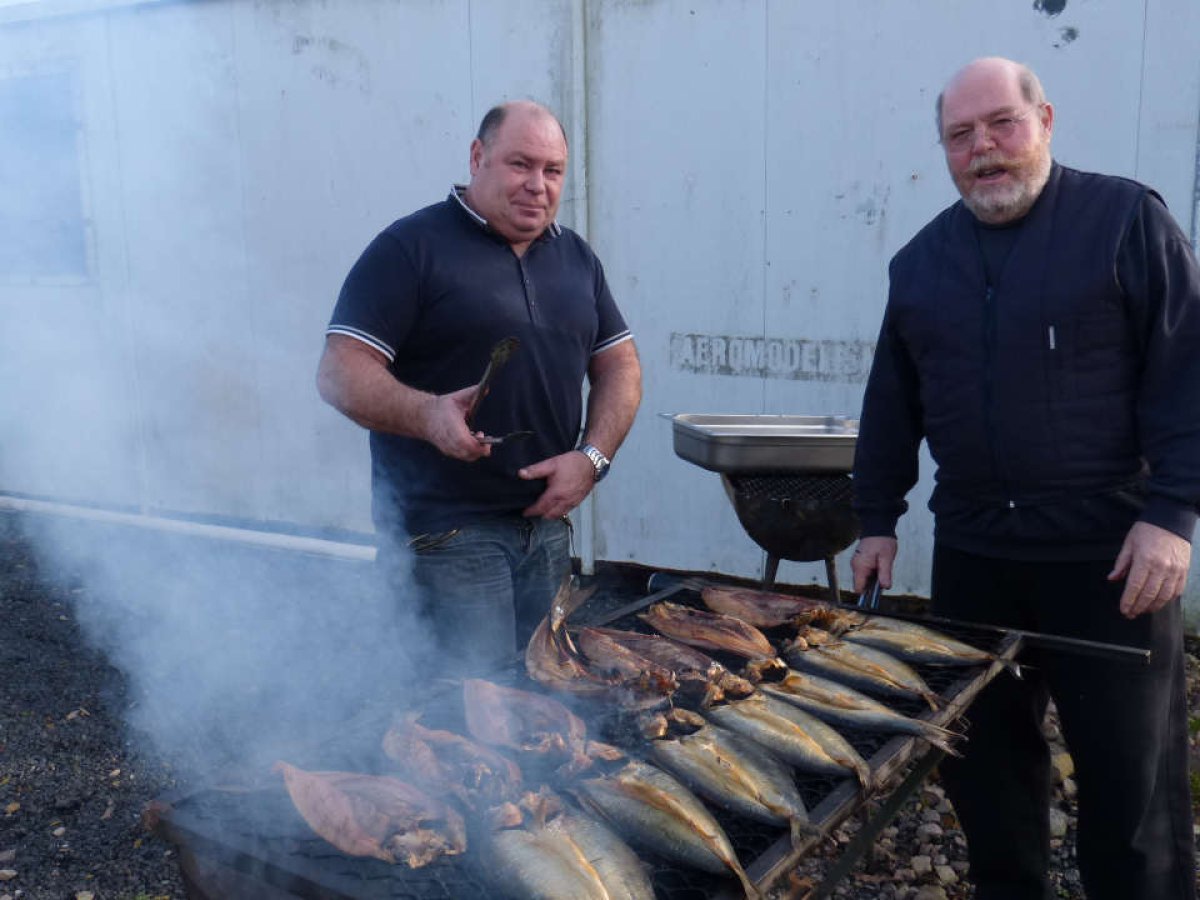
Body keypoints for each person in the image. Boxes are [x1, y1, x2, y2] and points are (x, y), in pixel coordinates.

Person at [850, 57, 1199, 900]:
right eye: (960, 135)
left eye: (1002, 123)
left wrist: (1173, 513)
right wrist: (876, 518)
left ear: (1044, 120)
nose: (983, 148)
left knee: (1131, 784)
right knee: (987, 772)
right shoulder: (920, 264)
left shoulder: (1125, 221)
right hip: (977, 556)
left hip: (1109, 558)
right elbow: (891, 402)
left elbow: (1185, 370)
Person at [316, 100, 641, 673]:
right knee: (465, 705)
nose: (537, 185)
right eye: (520, 164)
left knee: (546, 694)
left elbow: (621, 366)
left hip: (546, 529)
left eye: (553, 170)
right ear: (477, 157)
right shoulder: (410, 248)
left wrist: (591, 459)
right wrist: (427, 415)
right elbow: (339, 371)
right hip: (445, 536)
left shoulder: (576, 257)